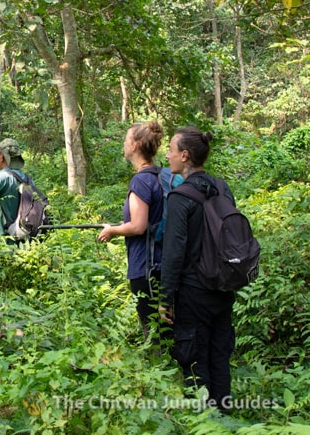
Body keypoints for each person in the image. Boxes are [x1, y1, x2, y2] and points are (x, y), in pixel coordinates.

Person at [160, 127, 236, 412]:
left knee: (194, 359)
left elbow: (173, 252)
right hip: (224, 286)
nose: (167, 155)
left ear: (185, 155)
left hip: (193, 292)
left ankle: (204, 421)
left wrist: (165, 299)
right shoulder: (222, 187)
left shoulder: (181, 196)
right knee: (220, 355)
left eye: (170, 149)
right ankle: (225, 415)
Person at [97, 121, 165, 344]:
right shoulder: (161, 175)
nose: (124, 143)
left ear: (135, 145)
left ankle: (157, 371)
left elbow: (138, 226)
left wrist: (113, 230)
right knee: (167, 324)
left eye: (127, 139)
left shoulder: (141, 181)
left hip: (146, 265)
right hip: (164, 262)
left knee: (152, 328)